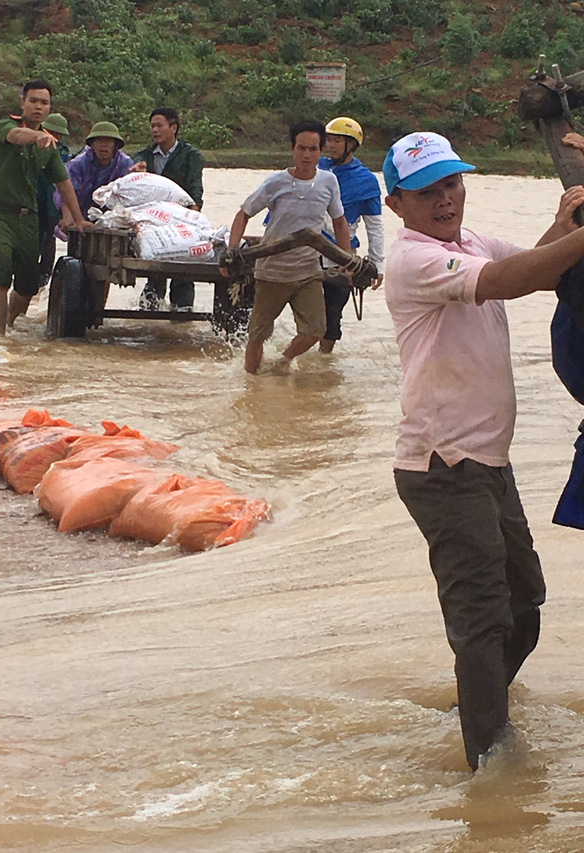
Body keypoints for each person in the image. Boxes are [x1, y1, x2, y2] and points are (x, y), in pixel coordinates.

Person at [382, 130, 584, 771]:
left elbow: (538, 261)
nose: (445, 199)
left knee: (524, 598)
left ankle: (478, 698)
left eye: (451, 183)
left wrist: (561, 224)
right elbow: (508, 281)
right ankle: (490, 767)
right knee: (481, 617)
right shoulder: (413, 259)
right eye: (426, 191)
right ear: (396, 204)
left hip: (488, 461)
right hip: (443, 465)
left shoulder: (466, 243)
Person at [222, 119, 351, 374]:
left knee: (316, 329)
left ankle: (283, 360)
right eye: (301, 148)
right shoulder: (275, 182)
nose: (306, 155)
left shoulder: (329, 182)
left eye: (313, 149)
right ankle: (251, 384)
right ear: (292, 149)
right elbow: (243, 214)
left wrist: (347, 261)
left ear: (320, 152)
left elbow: (339, 222)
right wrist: (232, 251)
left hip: (308, 271)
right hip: (272, 272)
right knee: (257, 334)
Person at [0, 79, 89, 335]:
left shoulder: (50, 146)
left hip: (28, 219)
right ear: (23, 103)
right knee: (0, 275)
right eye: (33, 101)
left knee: (28, 284)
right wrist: (37, 135)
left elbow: (64, 183)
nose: (38, 106)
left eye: (44, 102)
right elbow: (16, 136)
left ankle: (8, 321)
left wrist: (79, 218)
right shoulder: (7, 125)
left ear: (50, 108)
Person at [318, 116, 384, 352]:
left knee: (331, 318)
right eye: (329, 140)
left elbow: (374, 225)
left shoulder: (366, 181)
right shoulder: (315, 167)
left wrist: (377, 264)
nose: (331, 145)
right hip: (305, 252)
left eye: (338, 141)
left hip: (341, 256)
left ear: (351, 145)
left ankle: (323, 357)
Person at [132, 107, 204, 310]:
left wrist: (193, 216)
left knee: (183, 272)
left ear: (173, 127)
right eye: (152, 126)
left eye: (159, 125)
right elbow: (135, 163)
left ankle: (183, 312)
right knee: (155, 273)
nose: (155, 130)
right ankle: (149, 310)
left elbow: (195, 189)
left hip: (181, 219)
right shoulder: (146, 155)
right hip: (153, 220)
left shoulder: (191, 156)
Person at [54, 121, 134, 226]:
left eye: (109, 141)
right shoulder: (78, 164)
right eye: (99, 140)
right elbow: (65, 190)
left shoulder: (125, 163)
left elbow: (130, 193)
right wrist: (68, 217)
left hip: (114, 214)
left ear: (115, 145)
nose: (104, 145)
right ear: (92, 144)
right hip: (80, 211)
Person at [37, 112, 71, 289]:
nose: (55, 137)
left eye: (59, 135)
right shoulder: (32, 148)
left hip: (53, 209)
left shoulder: (64, 154)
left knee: (48, 248)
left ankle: (41, 287)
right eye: (52, 132)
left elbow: (67, 184)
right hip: (32, 207)